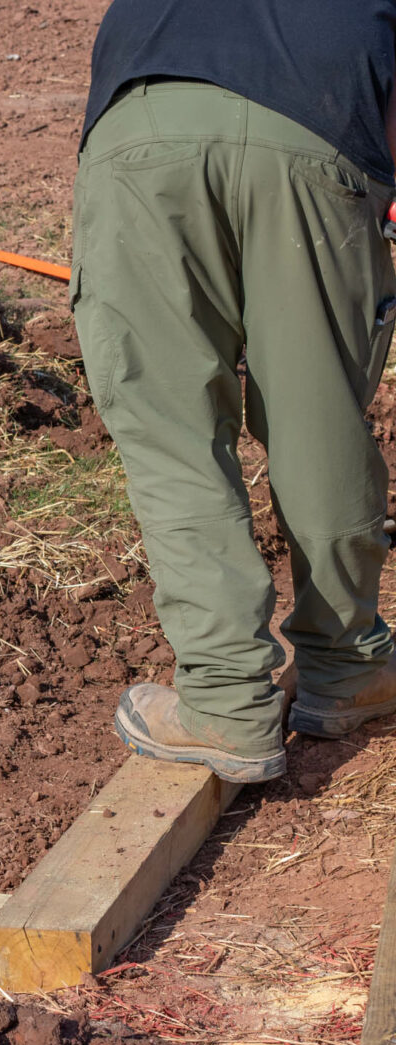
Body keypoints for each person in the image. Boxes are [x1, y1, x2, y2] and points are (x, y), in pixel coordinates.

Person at [74, 1, 396, 783]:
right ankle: (349, 668)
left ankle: (223, 705)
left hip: (140, 133)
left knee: (173, 429)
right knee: (316, 415)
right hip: (317, 134)